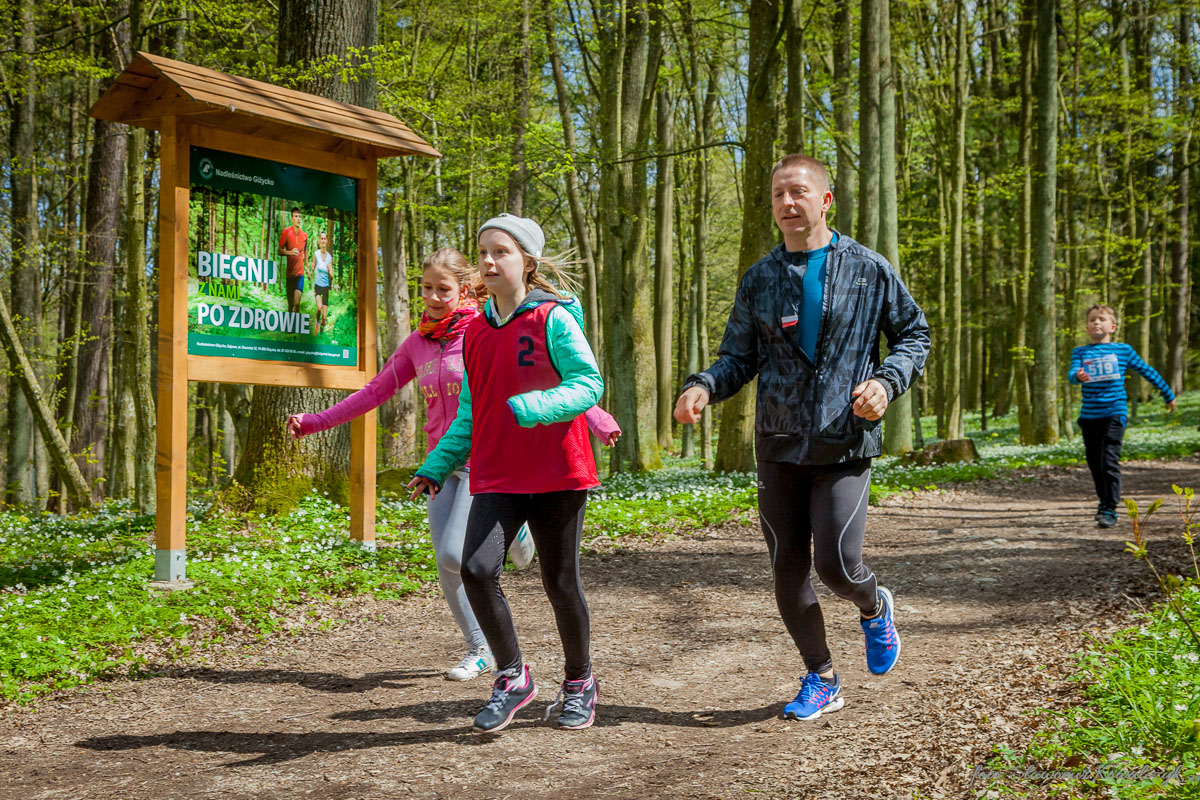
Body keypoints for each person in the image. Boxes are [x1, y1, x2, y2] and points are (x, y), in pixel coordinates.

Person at [673, 154, 930, 722]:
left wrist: (887, 382)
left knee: (837, 566)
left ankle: (874, 605)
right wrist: (703, 386)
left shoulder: (868, 268)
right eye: (778, 195)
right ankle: (821, 676)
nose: (787, 203)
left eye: (798, 192)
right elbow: (738, 357)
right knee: (787, 569)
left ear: (825, 200)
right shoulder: (760, 278)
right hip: (779, 442)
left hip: (843, 441)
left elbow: (914, 335)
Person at [288, 247, 619, 682]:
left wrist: (598, 420)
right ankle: (480, 647)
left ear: (463, 289)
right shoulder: (417, 344)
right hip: (442, 462)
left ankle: (517, 535)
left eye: (442, 289)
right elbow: (374, 392)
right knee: (448, 563)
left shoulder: (485, 330)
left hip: (487, 459)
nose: (432, 297)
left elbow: (550, 377)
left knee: (454, 554)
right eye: (426, 288)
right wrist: (316, 421)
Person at [408, 214, 607, 734]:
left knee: (560, 583)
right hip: (497, 472)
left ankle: (580, 682)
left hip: (557, 471)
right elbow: (469, 415)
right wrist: (437, 465)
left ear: (527, 261)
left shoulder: (553, 318)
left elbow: (588, 383)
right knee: (475, 569)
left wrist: (535, 405)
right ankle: (513, 676)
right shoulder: (474, 332)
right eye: (483, 253)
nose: (489, 261)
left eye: (502, 252)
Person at [1068, 304, 1176, 529]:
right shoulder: (1080, 352)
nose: (1097, 323)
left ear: (1113, 327)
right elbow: (1071, 375)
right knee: (1095, 463)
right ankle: (1103, 501)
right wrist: (1078, 376)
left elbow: (1147, 370)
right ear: (1087, 328)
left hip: (1114, 413)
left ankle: (1110, 508)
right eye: (1092, 320)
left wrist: (1168, 394)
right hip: (1089, 417)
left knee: (1109, 460)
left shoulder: (1123, 350)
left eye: (1102, 319)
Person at [279, 207, 308, 314]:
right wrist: (290, 252)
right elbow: (279, 250)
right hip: (289, 275)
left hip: (300, 274)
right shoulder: (286, 232)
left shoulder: (304, 235)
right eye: (296, 216)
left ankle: (296, 323)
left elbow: (305, 252)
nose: (298, 219)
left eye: (300, 216)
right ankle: (290, 322)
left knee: (297, 303)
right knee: (290, 305)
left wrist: (307, 268)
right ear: (292, 219)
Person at [312, 231, 333, 334]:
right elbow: (313, 264)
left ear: (327, 241)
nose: (323, 240)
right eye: (322, 238)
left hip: (325, 287)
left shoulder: (329, 257)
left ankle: (321, 331)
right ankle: (316, 323)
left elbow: (332, 275)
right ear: (319, 240)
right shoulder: (316, 254)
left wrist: (330, 271)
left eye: (325, 238)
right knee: (319, 307)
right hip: (318, 285)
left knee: (324, 316)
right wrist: (312, 267)